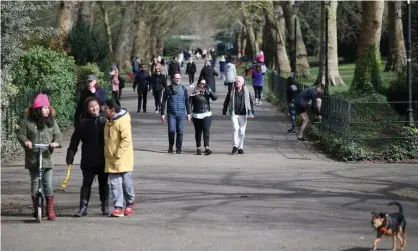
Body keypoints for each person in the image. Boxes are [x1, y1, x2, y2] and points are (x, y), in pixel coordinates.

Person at [17, 93, 63, 220]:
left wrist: (55, 142)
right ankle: (37, 207)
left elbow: (58, 135)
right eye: (44, 108)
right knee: (35, 181)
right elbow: (21, 134)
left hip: (46, 157)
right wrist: (26, 141)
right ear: (38, 109)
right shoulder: (27, 121)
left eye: (48, 107)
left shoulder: (51, 122)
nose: (47, 110)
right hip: (33, 157)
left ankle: (50, 209)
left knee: (47, 182)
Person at [66, 96, 109, 217]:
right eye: (91, 107)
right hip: (88, 159)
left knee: (104, 183)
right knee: (86, 184)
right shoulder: (82, 122)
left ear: (99, 106)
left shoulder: (106, 120)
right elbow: (74, 141)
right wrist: (70, 155)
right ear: (87, 109)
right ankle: (83, 207)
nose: (94, 108)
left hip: (103, 158)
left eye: (96, 106)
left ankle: (105, 206)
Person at [103, 99, 135, 217]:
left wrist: (117, 154)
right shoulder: (108, 121)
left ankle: (130, 203)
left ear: (112, 110)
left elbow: (126, 140)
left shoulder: (123, 120)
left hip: (122, 158)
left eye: (105, 108)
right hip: (111, 158)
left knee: (126, 183)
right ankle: (118, 206)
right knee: (115, 184)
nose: (103, 110)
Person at [222, 76, 255, 155]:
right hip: (234, 113)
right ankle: (235, 146)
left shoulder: (246, 91)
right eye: (236, 81)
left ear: (242, 83)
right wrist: (224, 110)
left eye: (238, 81)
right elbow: (227, 100)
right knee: (235, 128)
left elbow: (250, 102)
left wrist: (252, 112)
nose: (237, 83)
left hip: (244, 113)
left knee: (242, 132)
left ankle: (240, 147)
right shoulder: (231, 90)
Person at [161, 72, 191, 154]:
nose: (177, 79)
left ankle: (178, 148)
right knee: (171, 130)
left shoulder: (184, 89)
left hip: (181, 114)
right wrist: (162, 113)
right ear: (173, 79)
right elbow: (163, 101)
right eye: (176, 78)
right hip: (171, 114)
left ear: (181, 79)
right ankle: (171, 146)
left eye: (179, 78)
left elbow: (187, 101)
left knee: (180, 131)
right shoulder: (168, 88)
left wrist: (189, 113)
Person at [189, 78, 217, 155]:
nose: (203, 85)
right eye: (202, 83)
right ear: (198, 84)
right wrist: (189, 113)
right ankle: (198, 148)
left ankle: (207, 148)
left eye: (204, 83)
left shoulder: (207, 92)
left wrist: (210, 90)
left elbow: (215, 98)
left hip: (207, 113)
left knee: (206, 130)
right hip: (196, 115)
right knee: (198, 132)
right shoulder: (194, 92)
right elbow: (189, 103)